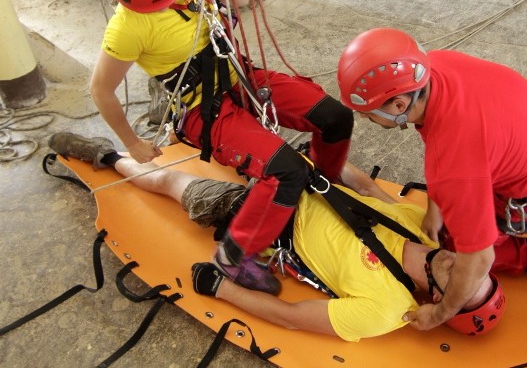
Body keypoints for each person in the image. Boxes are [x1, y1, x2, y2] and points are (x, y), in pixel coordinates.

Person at [48, 132, 501, 340]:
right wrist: (324, 158)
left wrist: (221, 288)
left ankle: (107, 157)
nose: (463, 268)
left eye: (464, 285)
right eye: (475, 271)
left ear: (439, 299)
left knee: (172, 184)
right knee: (224, 130)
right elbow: (364, 188)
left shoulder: (382, 310)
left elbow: (290, 317)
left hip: (267, 221)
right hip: (292, 177)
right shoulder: (421, 221)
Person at [91, 0, 354, 295]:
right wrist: (132, 144)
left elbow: (248, 0)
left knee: (336, 118)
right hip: (204, 111)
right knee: (286, 171)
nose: (164, 4)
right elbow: (101, 90)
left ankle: (326, 177)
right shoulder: (126, 29)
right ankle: (232, 256)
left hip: (241, 77)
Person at [336, 27, 527, 332]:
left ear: (399, 106)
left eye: (368, 112)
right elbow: (452, 138)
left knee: (450, 254)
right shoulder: (433, 66)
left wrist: (440, 313)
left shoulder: (453, 162)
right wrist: (436, 207)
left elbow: (478, 258)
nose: (364, 119)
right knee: (450, 221)